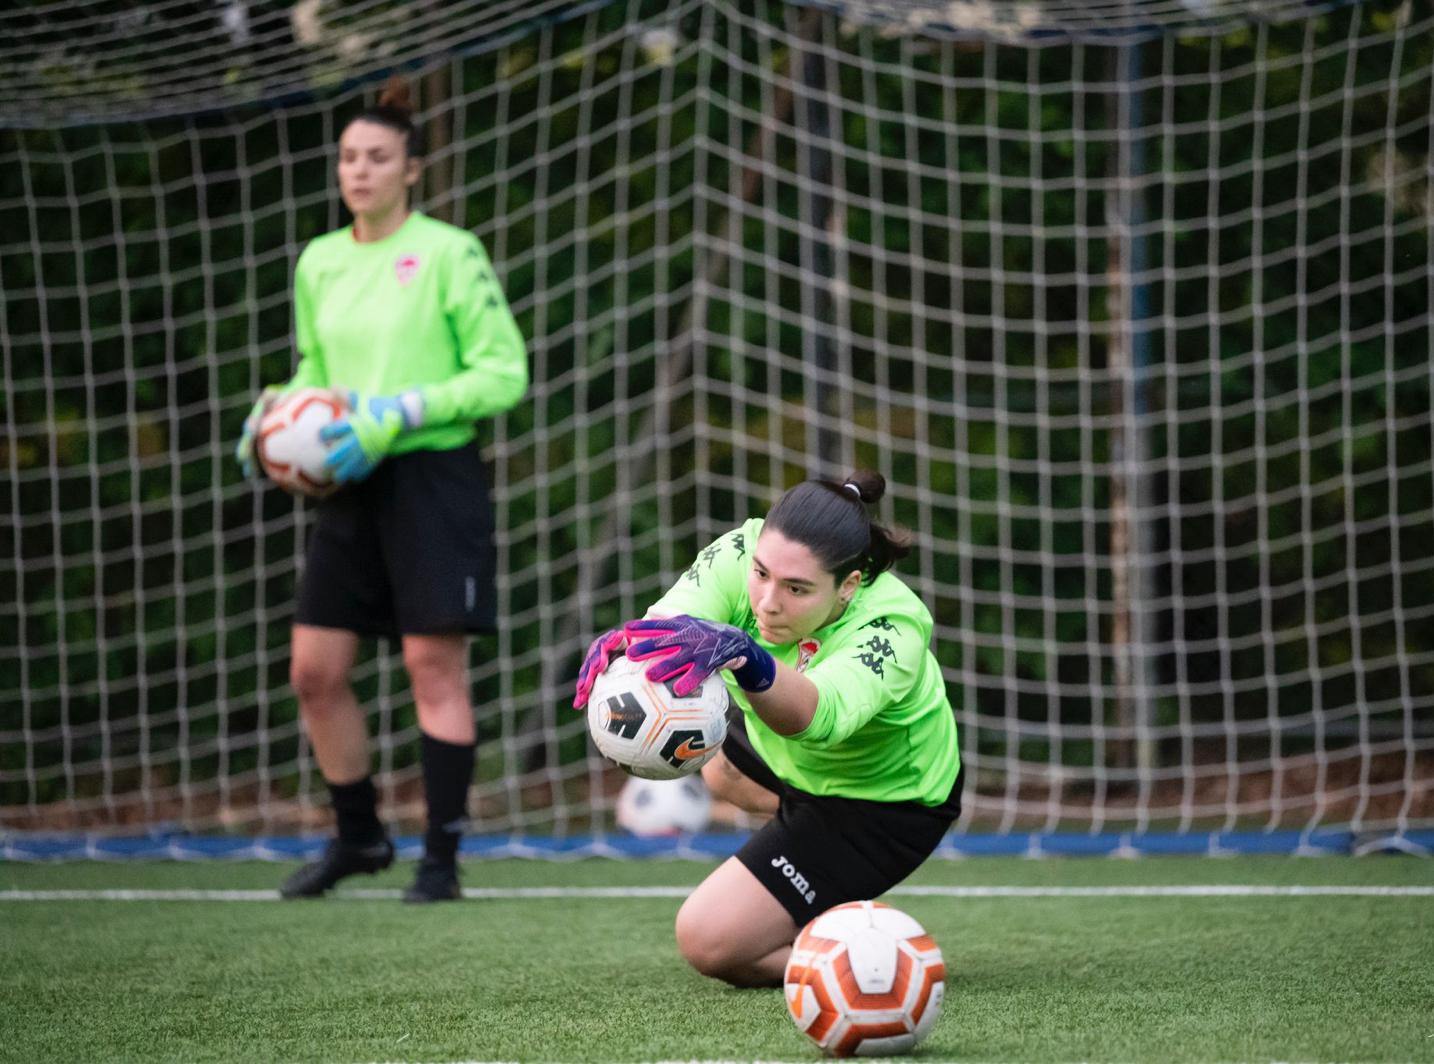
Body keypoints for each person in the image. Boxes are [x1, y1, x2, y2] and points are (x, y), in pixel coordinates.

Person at [236, 77, 528, 902]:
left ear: (411, 169)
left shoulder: (448, 253)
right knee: (313, 670)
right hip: (348, 479)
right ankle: (359, 836)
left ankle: (440, 860)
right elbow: (318, 370)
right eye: (349, 158)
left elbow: (503, 373)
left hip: (432, 477)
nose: (359, 171)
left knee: (431, 666)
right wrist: (276, 414)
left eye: (377, 157)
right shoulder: (320, 261)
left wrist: (400, 410)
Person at [574, 471, 963, 986]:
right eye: (762, 574)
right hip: (788, 759)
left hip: (881, 803)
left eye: (797, 588)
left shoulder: (892, 625)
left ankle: (883, 968)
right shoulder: (742, 551)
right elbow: (674, 628)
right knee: (721, 771)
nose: (767, 602)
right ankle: (801, 861)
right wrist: (633, 647)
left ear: (848, 586)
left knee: (707, 940)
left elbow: (816, 717)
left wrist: (748, 656)